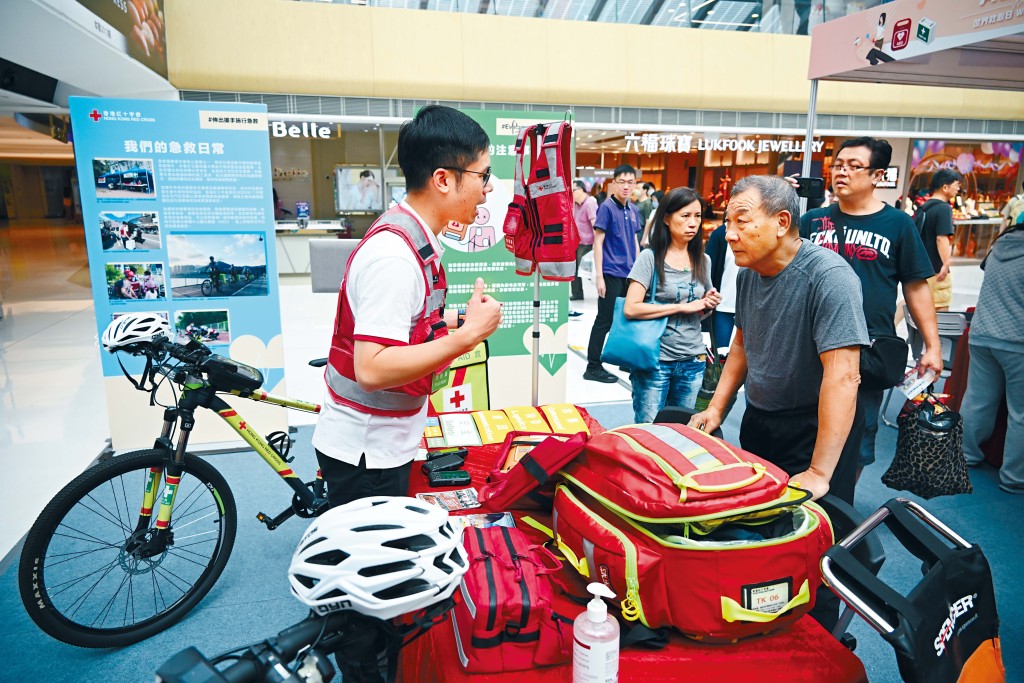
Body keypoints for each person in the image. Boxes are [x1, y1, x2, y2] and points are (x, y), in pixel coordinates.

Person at [313, 105, 502, 510]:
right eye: (483, 175)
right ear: (443, 180)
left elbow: (408, 323)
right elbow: (372, 367)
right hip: (366, 454)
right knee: (373, 565)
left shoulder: (413, 238)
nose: (488, 188)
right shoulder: (394, 258)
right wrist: (469, 336)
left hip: (383, 444)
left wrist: (461, 319)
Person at [689, 175, 868, 505]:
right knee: (757, 518)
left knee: (817, 532)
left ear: (782, 222)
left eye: (742, 222)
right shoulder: (748, 274)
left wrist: (818, 471)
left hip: (814, 427)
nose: (729, 234)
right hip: (760, 418)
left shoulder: (830, 277)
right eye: (728, 222)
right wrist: (716, 409)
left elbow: (843, 377)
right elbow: (742, 345)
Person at [799, 137, 942, 482]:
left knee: (857, 437)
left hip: (867, 349)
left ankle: (843, 501)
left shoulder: (898, 224)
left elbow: (916, 286)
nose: (842, 172)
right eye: (837, 165)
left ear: (877, 175)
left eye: (853, 166)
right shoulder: (812, 221)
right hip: (807, 346)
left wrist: (933, 345)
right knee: (802, 426)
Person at [624, 188, 720, 422]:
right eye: (685, 216)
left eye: (697, 216)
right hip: (655, 361)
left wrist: (708, 304)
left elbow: (700, 314)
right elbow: (631, 307)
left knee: (682, 432)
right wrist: (680, 307)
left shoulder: (703, 260)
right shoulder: (650, 258)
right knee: (649, 431)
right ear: (667, 218)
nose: (693, 223)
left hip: (692, 360)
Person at [961, 223, 1024, 494]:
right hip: (1017, 339)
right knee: (1020, 413)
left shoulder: (1004, 240)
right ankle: (1013, 478)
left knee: (977, 401)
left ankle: (965, 456)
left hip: (983, 331)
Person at [584, 164, 642, 383]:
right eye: (622, 182)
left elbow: (635, 243)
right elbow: (598, 242)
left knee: (627, 318)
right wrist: (599, 276)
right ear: (614, 183)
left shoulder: (634, 210)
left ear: (635, 184)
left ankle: (624, 360)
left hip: (629, 275)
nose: (626, 186)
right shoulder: (606, 208)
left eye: (630, 182)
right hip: (610, 273)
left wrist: (639, 273)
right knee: (604, 320)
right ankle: (593, 366)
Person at [915, 168, 960, 311]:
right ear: (945, 187)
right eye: (956, 185)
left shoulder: (924, 207)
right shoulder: (944, 208)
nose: (958, 189)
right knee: (942, 305)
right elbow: (941, 238)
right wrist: (946, 264)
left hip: (922, 265)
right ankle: (937, 334)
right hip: (936, 268)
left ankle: (892, 325)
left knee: (915, 301)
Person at [705, 222, 740, 350]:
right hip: (725, 307)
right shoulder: (720, 234)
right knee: (722, 355)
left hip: (753, 309)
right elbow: (708, 271)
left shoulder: (761, 232)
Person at [571, 180, 597, 304]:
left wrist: (598, 244)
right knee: (573, 269)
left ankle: (602, 291)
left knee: (583, 270)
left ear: (581, 190)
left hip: (587, 243)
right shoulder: (575, 204)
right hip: (576, 242)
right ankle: (577, 294)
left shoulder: (590, 203)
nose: (571, 193)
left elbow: (595, 225)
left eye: (573, 190)